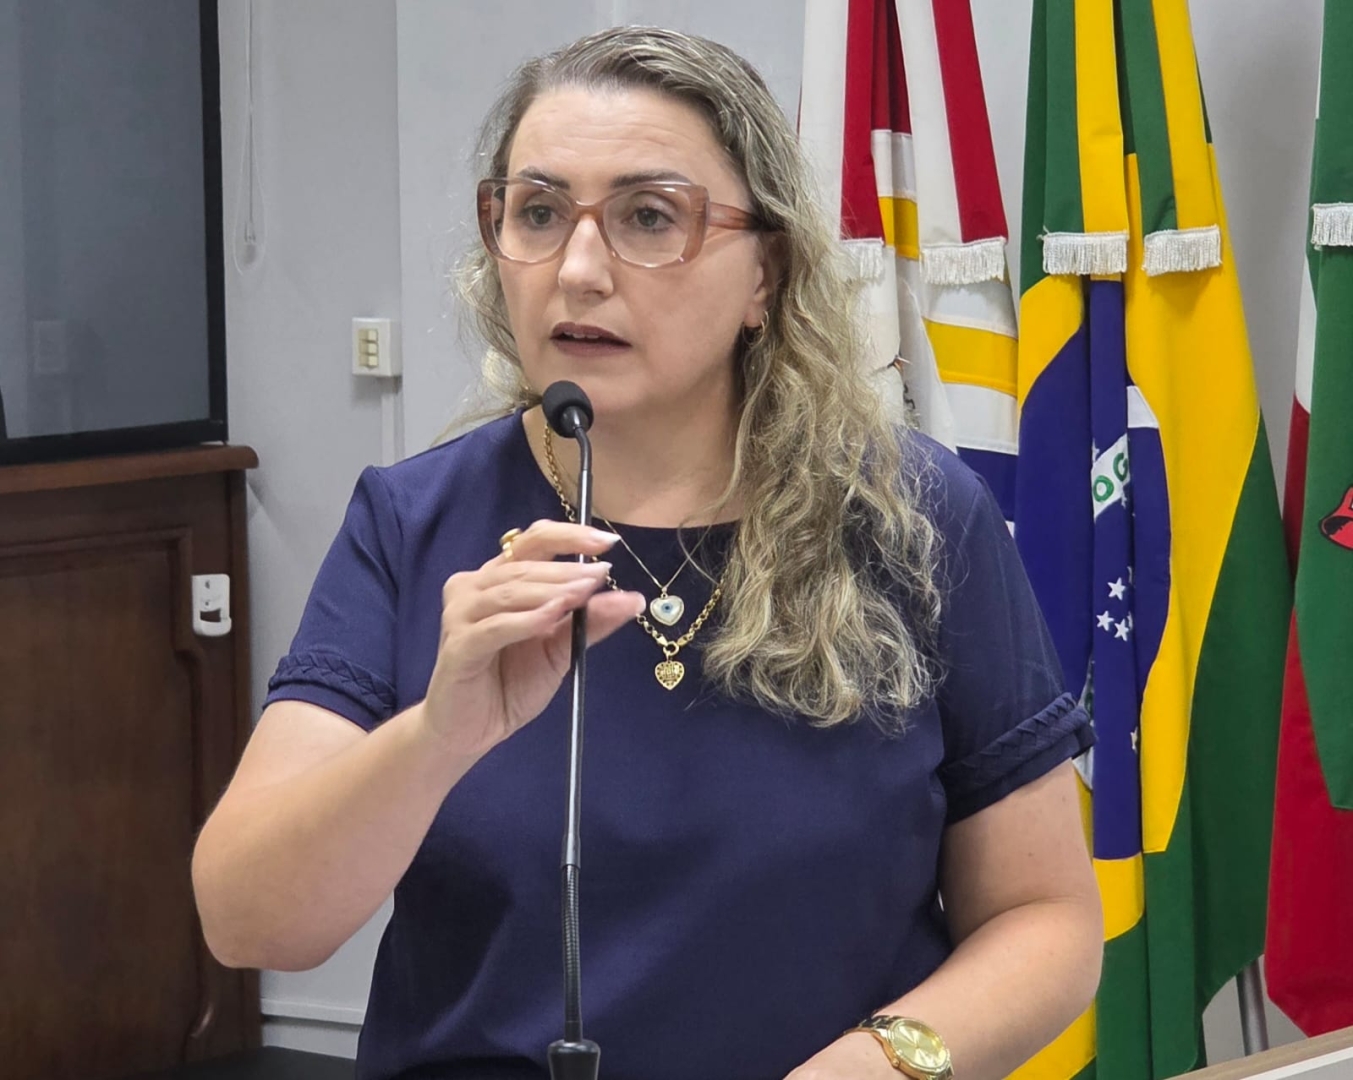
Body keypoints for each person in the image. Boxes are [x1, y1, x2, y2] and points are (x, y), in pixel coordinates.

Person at [192, 25, 1102, 1080]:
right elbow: (248, 922)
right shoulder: (414, 522)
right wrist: (437, 736)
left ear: (765, 274)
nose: (577, 270)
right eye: (538, 213)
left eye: (649, 217)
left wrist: (878, 1068)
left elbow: (1043, 919)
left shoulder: (915, 514)